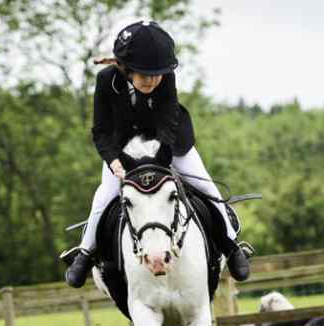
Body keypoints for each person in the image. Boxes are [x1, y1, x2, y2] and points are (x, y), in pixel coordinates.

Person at [65, 20, 251, 288]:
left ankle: (232, 247)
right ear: (126, 69)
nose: (152, 80)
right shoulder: (106, 80)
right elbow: (101, 131)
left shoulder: (166, 78)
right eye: (144, 74)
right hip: (123, 149)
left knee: (205, 185)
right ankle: (85, 252)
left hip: (170, 143)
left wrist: (162, 162)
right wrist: (114, 161)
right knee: (103, 197)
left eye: (157, 74)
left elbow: (167, 122)